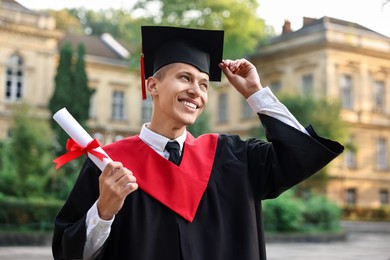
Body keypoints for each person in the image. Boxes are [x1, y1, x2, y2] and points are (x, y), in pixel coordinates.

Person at [52, 26, 344, 260]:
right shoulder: (109, 165)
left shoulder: (234, 158)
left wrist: (255, 93)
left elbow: (301, 155)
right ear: (152, 85)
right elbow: (71, 254)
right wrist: (103, 211)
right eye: (185, 78)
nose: (196, 91)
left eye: (204, 84)